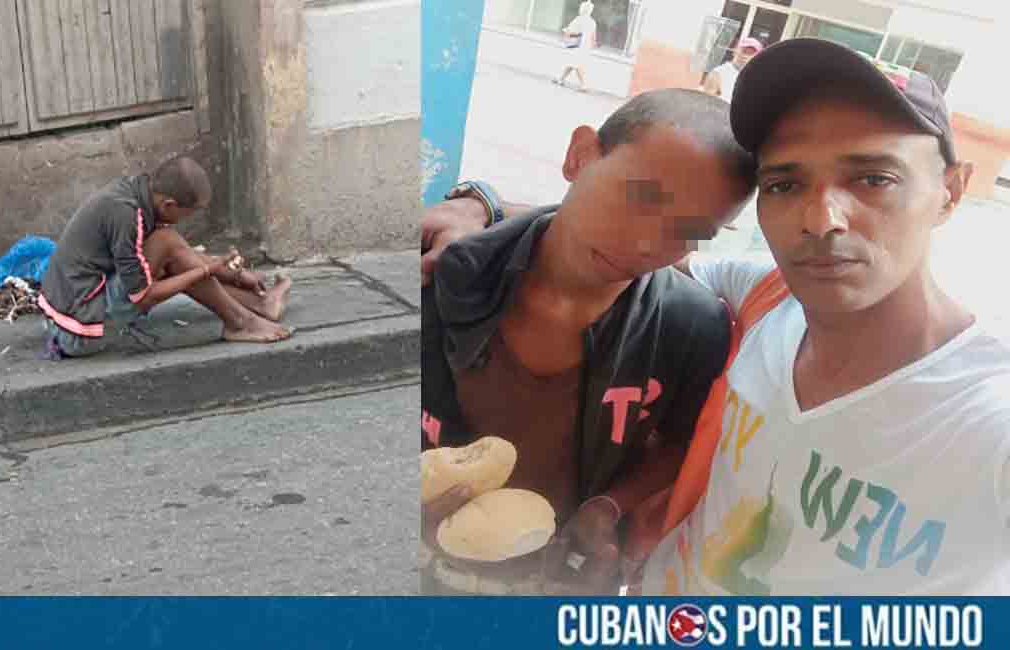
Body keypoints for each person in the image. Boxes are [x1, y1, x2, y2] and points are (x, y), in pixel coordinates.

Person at [422, 38, 1010, 595]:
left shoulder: (986, 415)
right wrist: (482, 209)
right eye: (786, 183)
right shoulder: (766, 299)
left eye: (875, 178)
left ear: (952, 192)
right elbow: (606, 248)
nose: (821, 219)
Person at [421, 88, 757, 595]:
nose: (647, 244)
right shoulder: (441, 275)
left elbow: (679, 439)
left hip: (555, 578)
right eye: (639, 197)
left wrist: (610, 506)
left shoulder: (693, 325)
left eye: (689, 229)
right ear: (580, 156)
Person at [39, 156, 293, 359]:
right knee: (169, 244)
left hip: (73, 312)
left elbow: (179, 255)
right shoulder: (126, 216)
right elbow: (143, 296)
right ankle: (240, 321)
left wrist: (232, 272)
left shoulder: (138, 194)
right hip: (76, 331)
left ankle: (257, 306)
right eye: (188, 214)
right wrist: (206, 270)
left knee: (172, 249)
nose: (186, 220)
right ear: (169, 205)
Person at [701, 37, 763, 102]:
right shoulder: (718, 73)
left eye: (750, 53)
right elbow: (706, 102)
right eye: (744, 51)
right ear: (735, 51)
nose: (745, 56)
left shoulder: (756, 80)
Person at [554, 1, 598, 92]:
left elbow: (570, 31)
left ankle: (584, 85)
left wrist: (565, 36)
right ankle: (561, 79)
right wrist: (593, 45)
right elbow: (593, 36)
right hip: (586, 46)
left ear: (582, 9)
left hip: (577, 45)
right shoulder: (592, 22)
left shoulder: (579, 19)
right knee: (573, 63)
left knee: (577, 65)